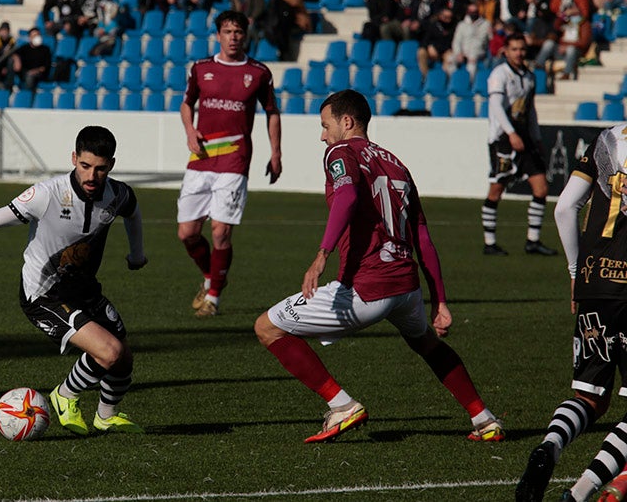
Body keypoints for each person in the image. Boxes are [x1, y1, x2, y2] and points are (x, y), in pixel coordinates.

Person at [254, 89, 504, 444]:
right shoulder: (395, 162)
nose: (322, 135)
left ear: (346, 121)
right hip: (406, 285)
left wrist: (322, 254)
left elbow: (348, 195)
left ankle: (341, 405)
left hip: (368, 286)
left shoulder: (339, 152)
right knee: (428, 344)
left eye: (325, 125)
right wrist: (441, 301)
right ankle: (485, 418)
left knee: (267, 327)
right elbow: (423, 236)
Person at [0, 126, 148, 435]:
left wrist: (137, 253)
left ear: (112, 165)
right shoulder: (46, 194)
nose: (92, 176)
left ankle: (106, 415)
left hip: (84, 289)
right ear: (74, 158)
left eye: (100, 169)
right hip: (44, 295)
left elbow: (132, 212)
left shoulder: (117, 194)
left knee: (123, 358)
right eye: (85, 166)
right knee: (109, 352)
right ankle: (64, 396)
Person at [516, 121, 627, 502]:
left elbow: (564, 208)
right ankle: (581, 492)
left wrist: (574, 272)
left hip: (594, 282)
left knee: (590, 397)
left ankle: (550, 445)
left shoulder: (608, 138)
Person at [178, 11, 283, 318]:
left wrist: (276, 152)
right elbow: (186, 103)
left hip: (236, 160)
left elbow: (272, 111)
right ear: (218, 35)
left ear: (245, 35)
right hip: (201, 158)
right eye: (227, 31)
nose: (233, 37)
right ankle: (212, 275)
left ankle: (213, 297)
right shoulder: (200, 68)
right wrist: (189, 131)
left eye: (238, 32)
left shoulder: (259, 72)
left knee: (221, 232)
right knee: (187, 233)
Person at [481, 33, 558, 257]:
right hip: (503, 140)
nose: (519, 53)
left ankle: (532, 241)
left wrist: (536, 138)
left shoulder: (530, 76)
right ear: (506, 51)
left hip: (525, 138)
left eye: (522, 49)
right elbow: (495, 106)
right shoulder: (499, 74)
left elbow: (530, 110)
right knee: (497, 189)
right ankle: (489, 242)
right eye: (514, 49)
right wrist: (511, 133)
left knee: (541, 187)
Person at [6, 27, 52, 92]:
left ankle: (28, 96)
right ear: (30, 38)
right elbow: (14, 53)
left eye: (38, 35)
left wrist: (36, 70)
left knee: (30, 76)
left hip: (39, 74)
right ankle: (9, 88)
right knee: (11, 61)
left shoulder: (45, 49)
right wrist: (17, 59)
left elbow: (46, 65)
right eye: (34, 35)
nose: (37, 37)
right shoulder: (24, 48)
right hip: (25, 72)